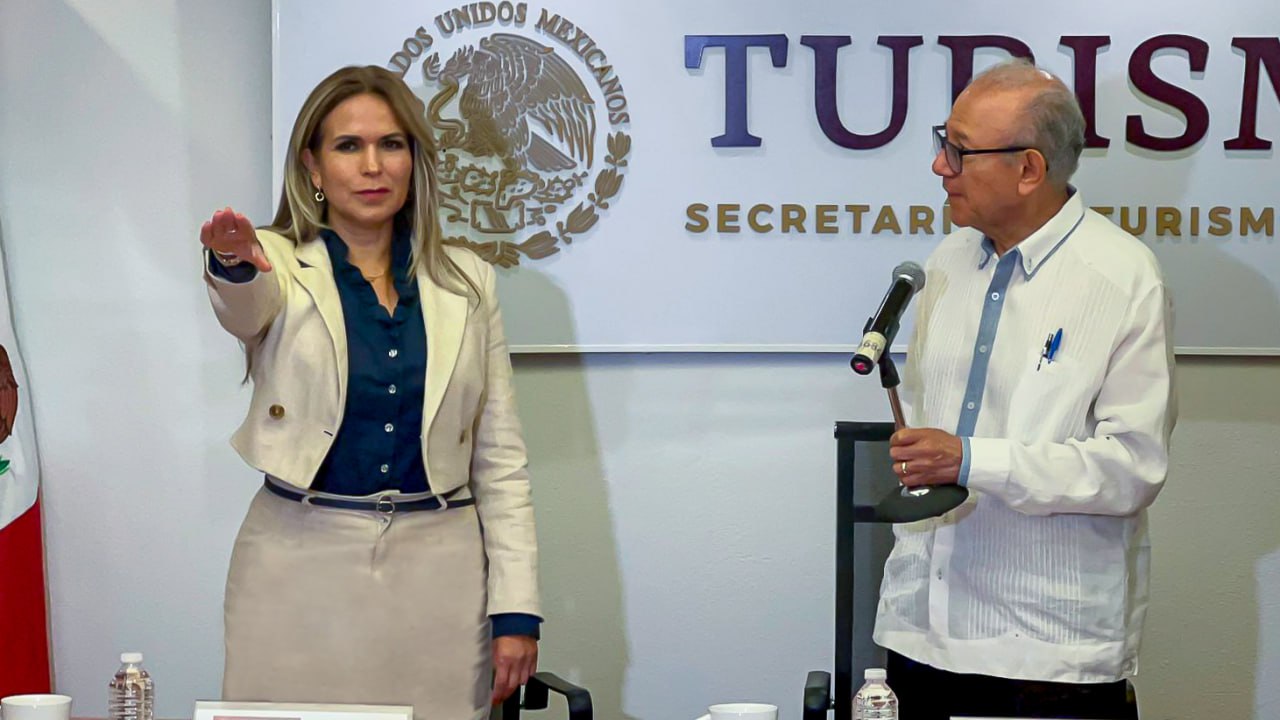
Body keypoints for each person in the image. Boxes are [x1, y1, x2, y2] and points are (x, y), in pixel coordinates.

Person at [200, 65, 540, 720]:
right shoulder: (273, 259)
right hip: (294, 569)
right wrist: (231, 263)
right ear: (312, 167)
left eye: (391, 144)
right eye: (348, 146)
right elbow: (244, 304)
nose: (373, 165)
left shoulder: (468, 280)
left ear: (414, 159)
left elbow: (501, 460)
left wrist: (516, 609)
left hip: (440, 576)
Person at [876, 59, 1176, 720]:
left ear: (1029, 170)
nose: (939, 167)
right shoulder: (946, 263)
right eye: (942, 143)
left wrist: (972, 459)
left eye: (958, 150)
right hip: (921, 632)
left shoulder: (1123, 278)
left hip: (1048, 652)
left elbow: (1132, 468)